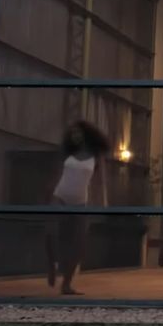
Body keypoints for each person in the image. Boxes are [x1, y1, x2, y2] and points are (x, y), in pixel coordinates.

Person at [47, 120, 110, 295]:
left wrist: (103, 202)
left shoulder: (95, 155)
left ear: (85, 135)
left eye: (78, 133)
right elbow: (57, 174)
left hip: (80, 202)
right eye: (72, 133)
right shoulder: (67, 152)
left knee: (79, 244)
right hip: (59, 197)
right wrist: (48, 195)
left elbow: (100, 181)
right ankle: (52, 266)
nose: (75, 136)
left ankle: (66, 283)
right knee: (51, 233)